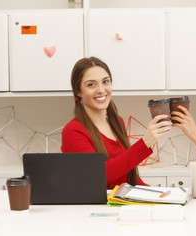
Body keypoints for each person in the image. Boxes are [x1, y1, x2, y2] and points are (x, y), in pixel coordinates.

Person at [61, 57, 172, 189]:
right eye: (91, 84)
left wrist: (157, 194)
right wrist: (145, 142)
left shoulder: (117, 122)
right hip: (95, 208)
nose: (101, 90)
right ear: (78, 91)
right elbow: (98, 175)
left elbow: (127, 175)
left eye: (105, 82)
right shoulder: (73, 131)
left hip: (119, 204)